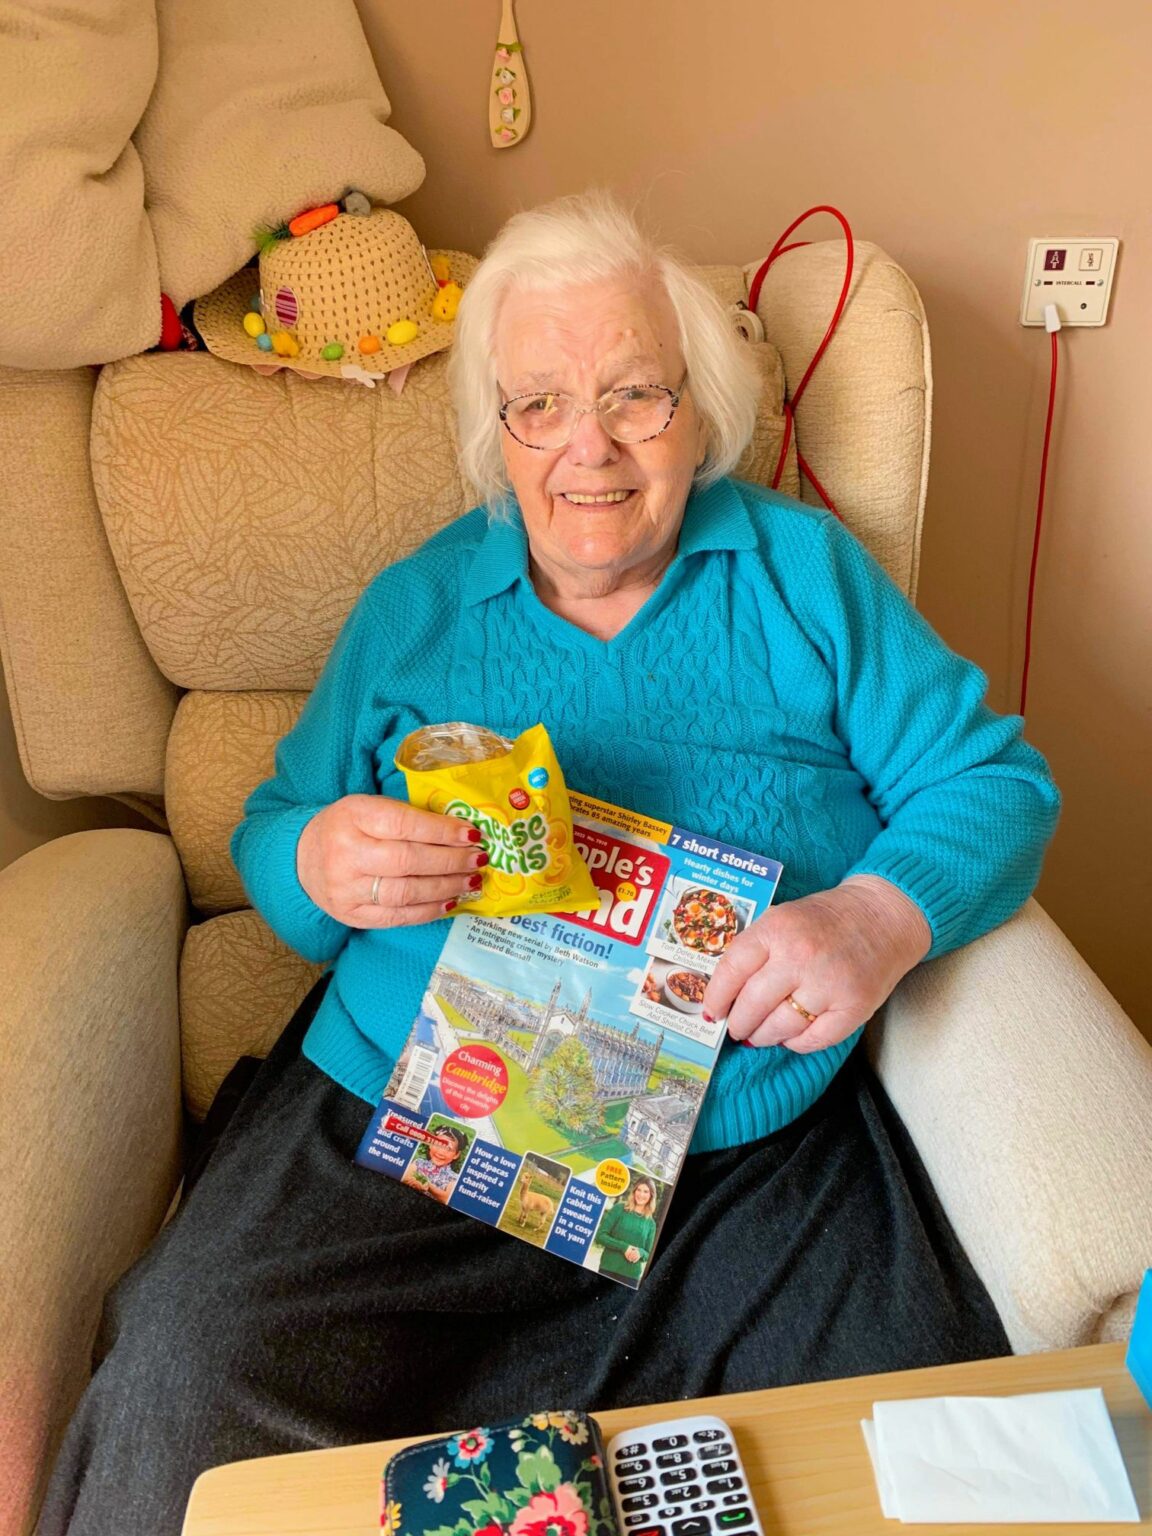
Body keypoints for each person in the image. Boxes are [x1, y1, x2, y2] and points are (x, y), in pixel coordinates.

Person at [37, 191, 1060, 1536]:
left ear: (701, 413)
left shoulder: (804, 575)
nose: (589, 445)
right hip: (414, 1126)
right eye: (539, 404)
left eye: (636, 393)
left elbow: (994, 780)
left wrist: (877, 915)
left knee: (892, 1459)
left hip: (738, 1141)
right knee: (184, 1387)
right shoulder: (416, 607)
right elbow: (274, 830)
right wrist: (318, 859)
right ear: (496, 433)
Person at [596, 1177, 660, 1283]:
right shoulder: (619, 1209)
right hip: (608, 1269)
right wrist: (624, 1247)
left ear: (651, 1195)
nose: (641, 1194)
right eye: (639, 1190)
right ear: (634, 1191)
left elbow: (648, 1253)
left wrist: (640, 1253)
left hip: (631, 1277)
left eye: (646, 1191)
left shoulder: (651, 1224)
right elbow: (600, 1236)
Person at [401, 1122, 469, 1204]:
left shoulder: (454, 1178)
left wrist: (427, 1185)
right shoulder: (418, 1163)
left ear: (456, 1155)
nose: (440, 1152)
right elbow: (404, 1176)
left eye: (448, 1149)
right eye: (438, 1144)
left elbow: (447, 1198)